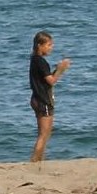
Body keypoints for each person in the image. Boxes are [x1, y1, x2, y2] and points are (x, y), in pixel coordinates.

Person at [29, 33, 66, 162]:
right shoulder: (40, 61)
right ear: (40, 45)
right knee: (43, 135)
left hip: (39, 98)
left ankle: (40, 159)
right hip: (42, 100)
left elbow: (46, 79)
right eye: (49, 45)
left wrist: (56, 69)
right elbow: (51, 80)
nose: (51, 47)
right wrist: (61, 69)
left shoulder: (35, 60)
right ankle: (35, 160)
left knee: (45, 134)